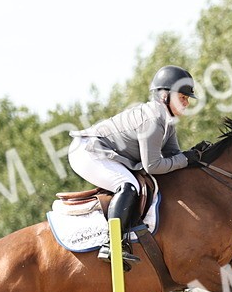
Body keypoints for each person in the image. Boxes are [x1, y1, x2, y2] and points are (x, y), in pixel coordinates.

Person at [68, 65, 206, 270]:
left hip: (101, 151)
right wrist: (186, 160)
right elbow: (153, 166)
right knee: (128, 185)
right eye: (183, 97)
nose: (186, 103)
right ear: (165, 96)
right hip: (87, 152)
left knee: (135, 183)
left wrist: (197, 157)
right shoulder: (153, 119)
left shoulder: (166, 121)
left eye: (187, 98)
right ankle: (112, 244)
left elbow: (173, 157)